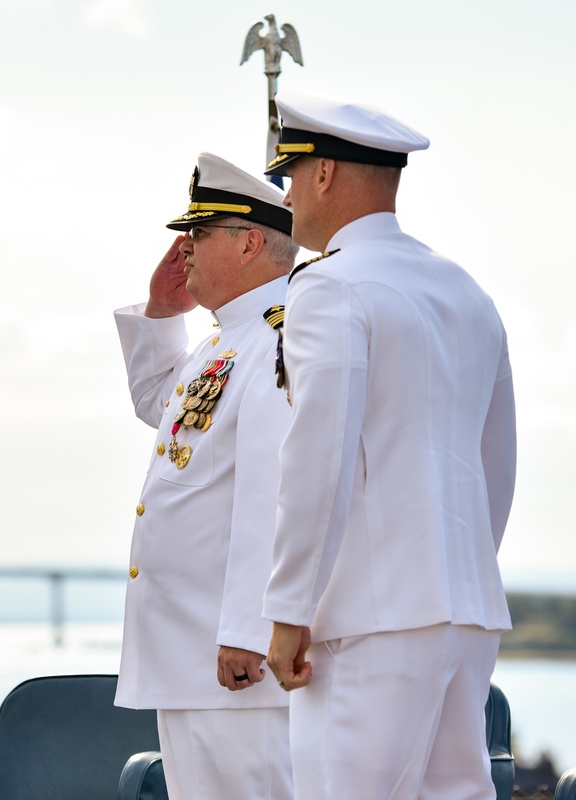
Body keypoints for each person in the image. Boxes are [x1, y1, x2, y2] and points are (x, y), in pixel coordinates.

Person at [261, 92, 517, 799]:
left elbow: (318, 458)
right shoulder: (466, 290)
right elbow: (497, 463)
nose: (285, 193)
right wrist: (456, 573)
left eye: (292, 173)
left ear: (323, 176)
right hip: (464, 610)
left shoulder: (330, 286)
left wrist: (290, 612)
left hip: (368, 619)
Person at [113, 153, 298, 800]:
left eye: (199, 235)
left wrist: (248, 629)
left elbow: (273, 496)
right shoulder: (228, 339)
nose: (183, 250)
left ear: (250, 242)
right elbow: (168, 417)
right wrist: (164, 313)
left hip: (237, 662)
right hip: (197, 656)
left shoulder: (281, 339)